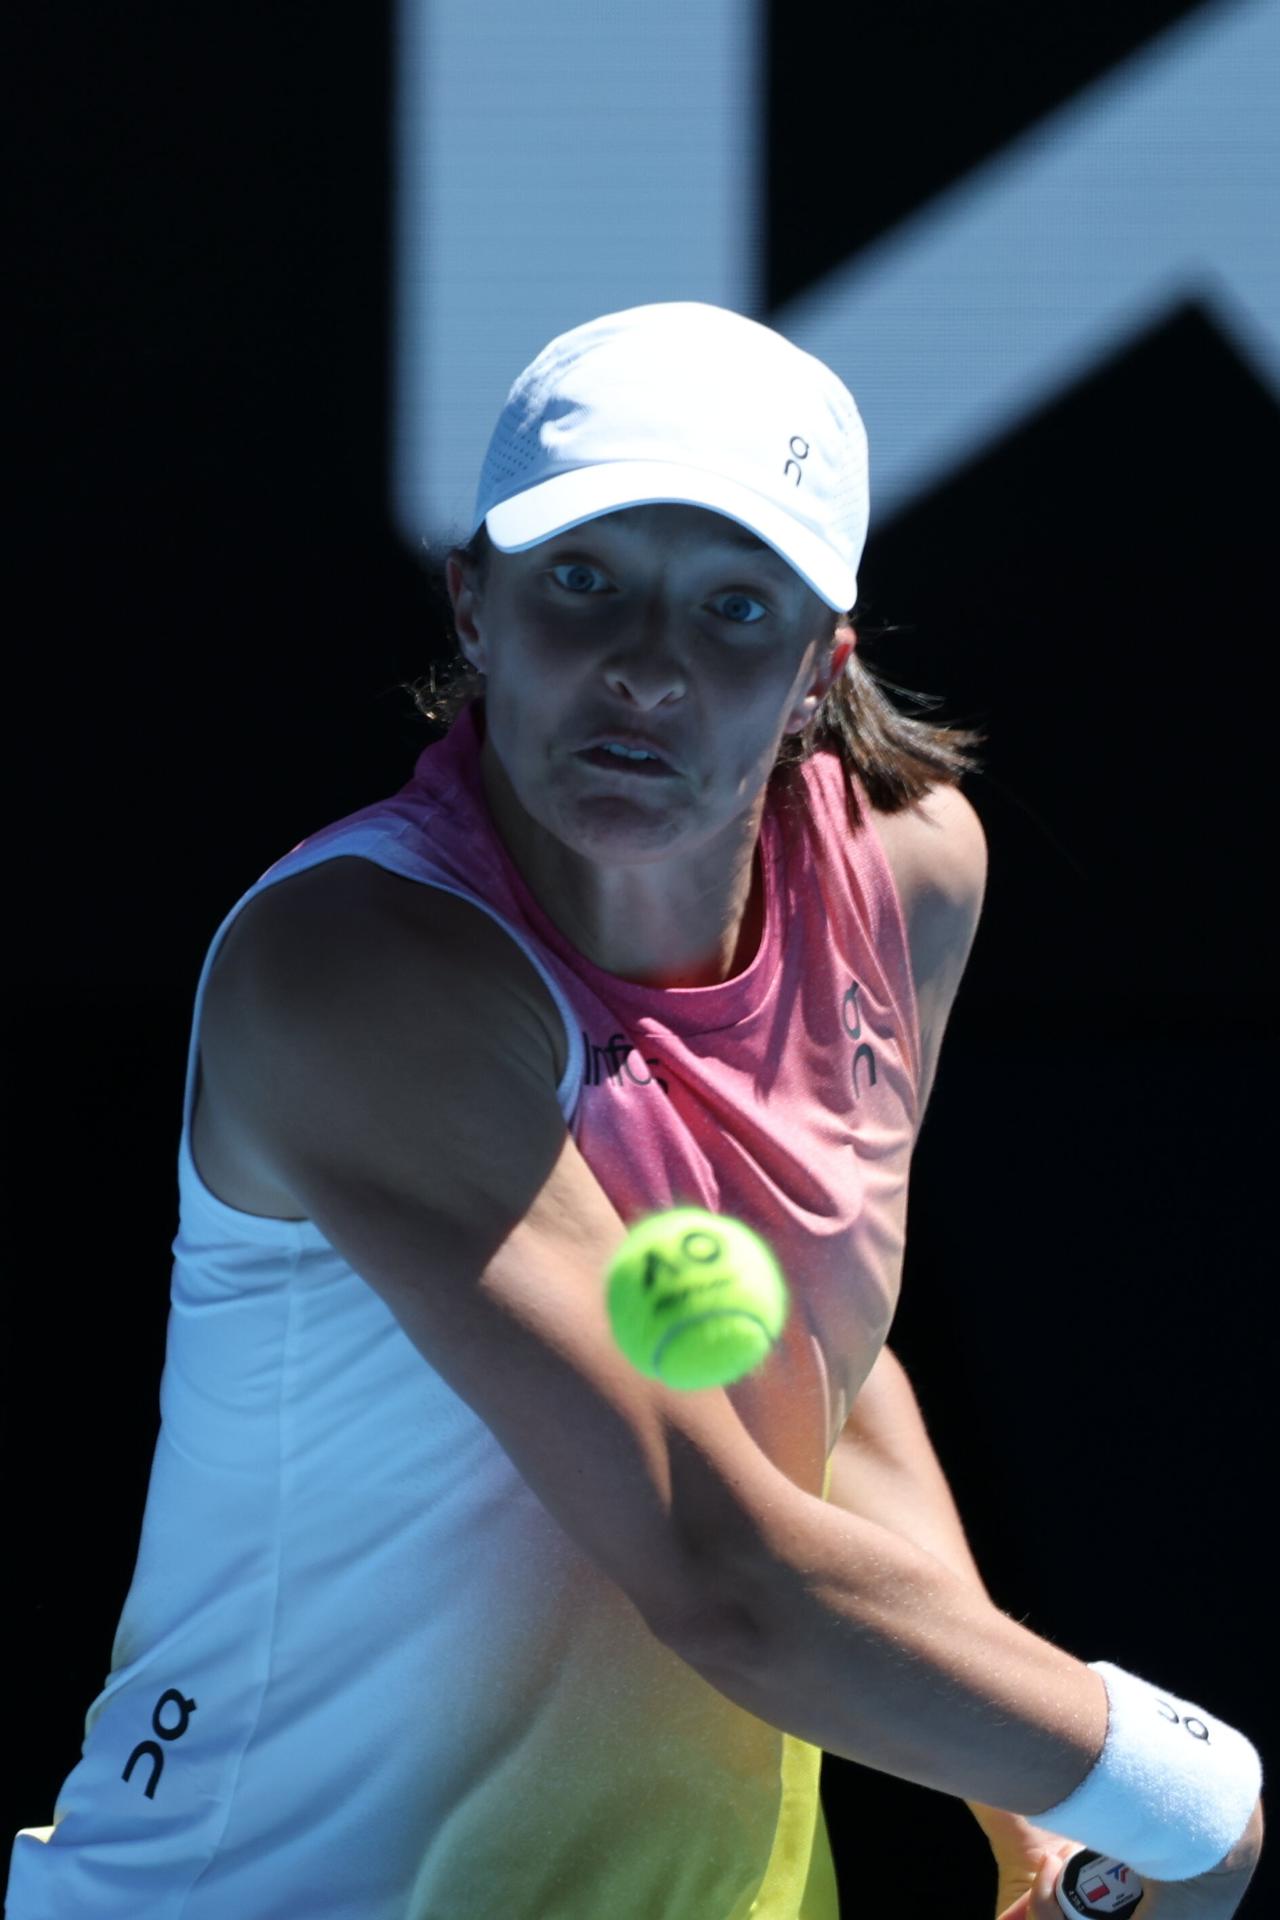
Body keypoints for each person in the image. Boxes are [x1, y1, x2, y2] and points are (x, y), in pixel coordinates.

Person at [6, 303, 1261, 1920]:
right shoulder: (357, 973)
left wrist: (1020, 1803)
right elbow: (726, 1571)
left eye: (735, 608)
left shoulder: (907, 880)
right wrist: (1180, 1785)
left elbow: (810, 1375)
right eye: (583, 582)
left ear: (823, 667)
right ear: (476, 602)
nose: (649, 670)